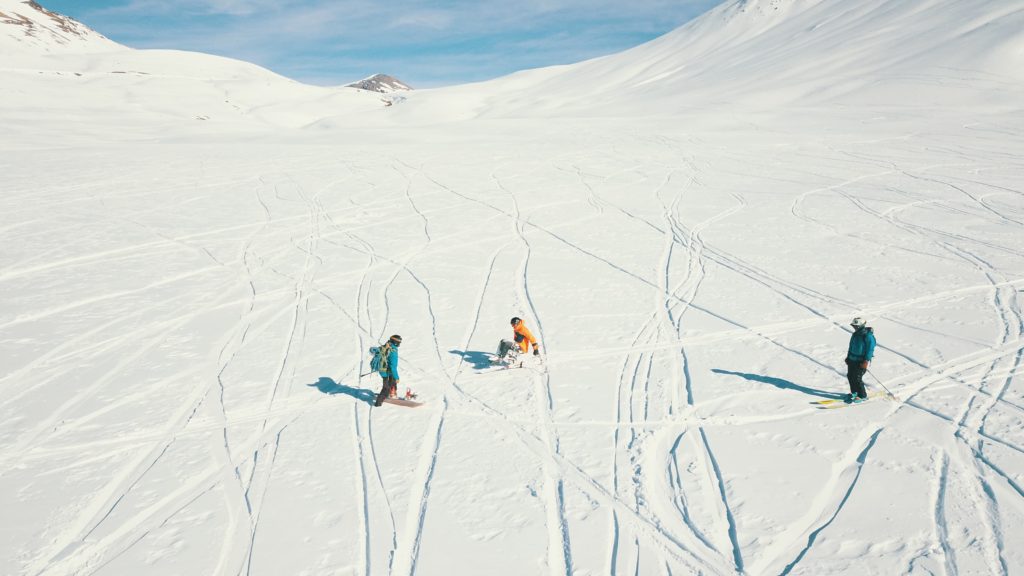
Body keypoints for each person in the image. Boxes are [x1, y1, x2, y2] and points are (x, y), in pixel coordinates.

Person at [845, 317, 875, 402]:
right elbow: (851, 346)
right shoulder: (855, 334)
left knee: (857, 378)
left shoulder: (868, 336)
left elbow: (870, 349)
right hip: (852, 359)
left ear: (860, 326)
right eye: (853, 326)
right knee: (850, 376)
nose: (854, 327)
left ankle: (862, 396)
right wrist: (848, 357)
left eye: (855, 326)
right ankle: (855, 393)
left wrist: (866, 361)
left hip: (861, 361)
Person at [374, 334, 401, 407]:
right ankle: (378, 404)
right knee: (386, 388)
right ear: (395, 342)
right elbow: (393, 367)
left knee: (392, 381)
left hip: (384, 369)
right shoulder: (393, 351)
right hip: (385, 371)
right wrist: (397, 377)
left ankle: (392, 394)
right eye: (399, 342)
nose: (399, 344)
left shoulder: (387, 345)